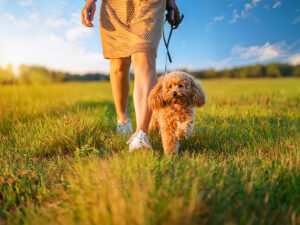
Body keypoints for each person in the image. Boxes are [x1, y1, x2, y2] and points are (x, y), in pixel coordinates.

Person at [81, 0, 180, 152]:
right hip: (114, 5)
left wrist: (171, 2)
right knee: (119, 65)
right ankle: (123, 120)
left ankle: (141, 135)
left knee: (144, 55)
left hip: (149, 4)